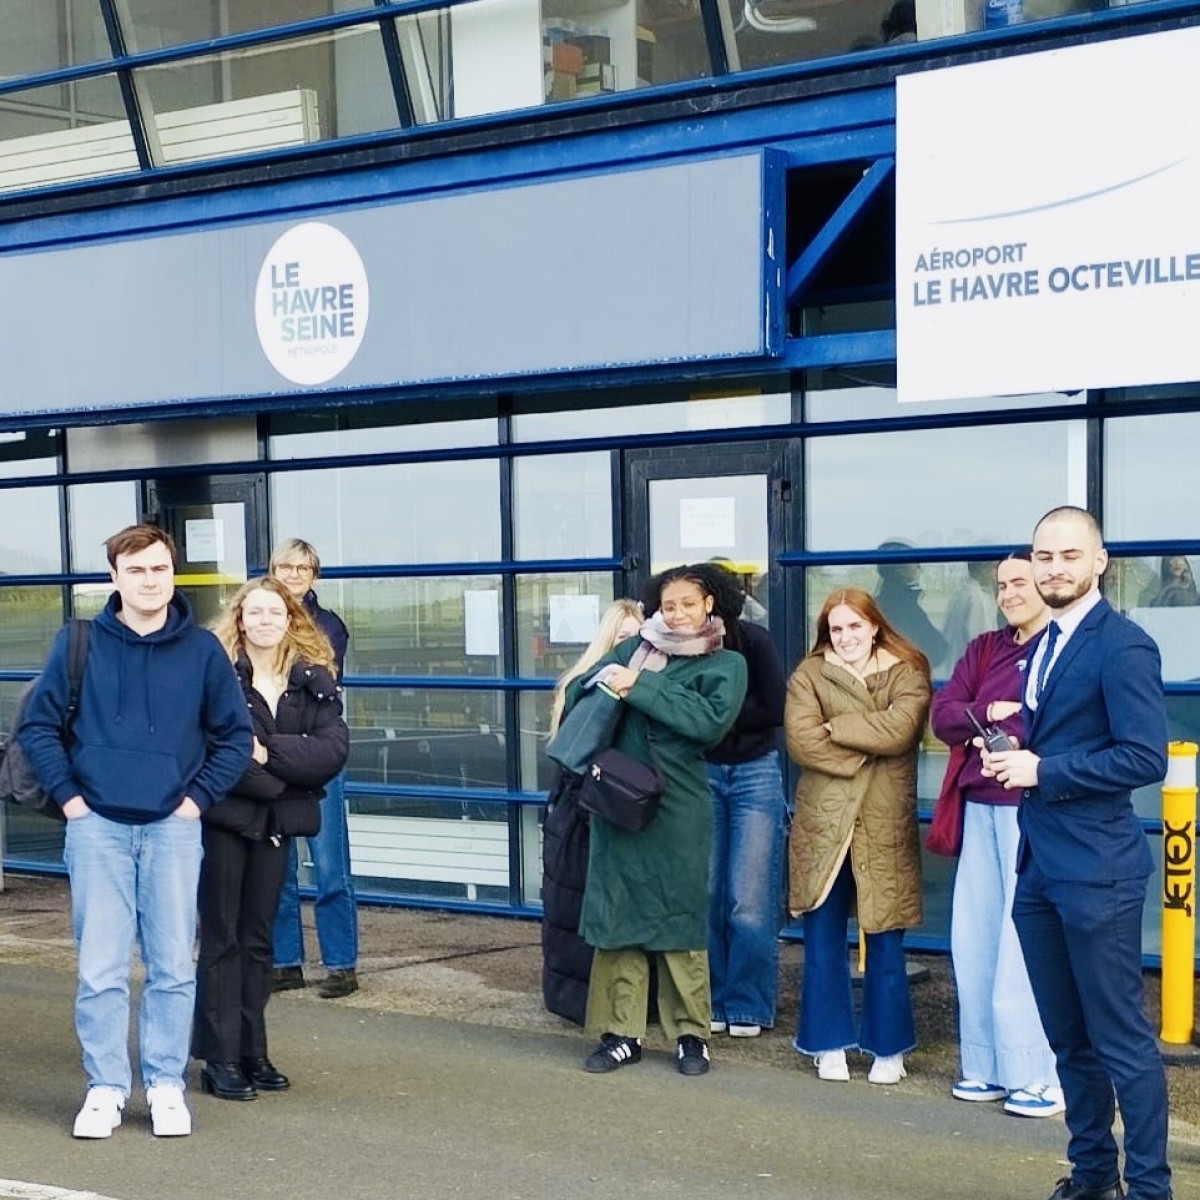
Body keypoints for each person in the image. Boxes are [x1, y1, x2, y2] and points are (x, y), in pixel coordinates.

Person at [19, 524, 252, 1139]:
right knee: (100, 970)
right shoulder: (80, 642)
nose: (151, 581)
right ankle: (105, 1087)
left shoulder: (203, 651)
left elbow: (233, 738)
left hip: (173, 830)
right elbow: (38, 728)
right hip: (97, 829)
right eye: (138, 571)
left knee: (174, 965)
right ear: (115, 578)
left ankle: (167, 1084)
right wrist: (71, 802)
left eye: (160, 569)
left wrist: (195, 801)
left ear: (172, 574)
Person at [982, 506, 1171, 1200]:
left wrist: (1044, 771)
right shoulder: (1044, 641)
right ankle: (1093, 1177)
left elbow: (1143, 756)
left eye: (1069, 555)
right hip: (1040, 870)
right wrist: (1014, 752)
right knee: (1070, 1042)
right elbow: (1065, 734)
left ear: (1100, 562)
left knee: (1121, 1042)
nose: (1053, 567)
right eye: (1044, 555)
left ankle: (1150, 1188)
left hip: (1099, 872)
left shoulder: (1122, 644)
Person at [568, 565, 747, 1076]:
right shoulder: (632, 647)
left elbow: (707, 722)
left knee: (679, 916)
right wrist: (612, 680)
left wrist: (639, 687)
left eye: (688, 603)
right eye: (668, 606)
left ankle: (692, 1035)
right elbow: (584, 686)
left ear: (709, 603)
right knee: (620, 914)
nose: (677, 614)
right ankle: (622, 1033)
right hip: (618, 800)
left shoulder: (727, 663)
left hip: (678, 805)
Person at [193, 578, 348, 1101]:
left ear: (290, 618)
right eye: (254, 612)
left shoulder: (313, 679)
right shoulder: (218, 677)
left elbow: (332, 751)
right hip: (226, 820)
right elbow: (222, 752)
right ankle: (218, 1057)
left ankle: (251, 1050)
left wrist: (270, 753)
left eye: (274, 612)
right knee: (223, 938)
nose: (264, 620)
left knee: (259, 940)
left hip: (275, 826)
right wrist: (290, 777)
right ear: (239, 619)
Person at [930, 551, 1062, 1116]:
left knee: (1023, 941)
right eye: (1002, 583)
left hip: (1035, 809)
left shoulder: (1062, 647)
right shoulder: (986, 648)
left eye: (1019, 582)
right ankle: (983, 1064)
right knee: (976, 938)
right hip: (979, 806)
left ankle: (1037, 1074)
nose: (1008, 592)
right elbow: (944, 715)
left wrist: (995, 718)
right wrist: (994, 709)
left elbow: (1051, 723)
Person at [785, 587, 930, 1085]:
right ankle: (828, 1044)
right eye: (836, 628)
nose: (845, 637)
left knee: (885, 937)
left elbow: (902, 731)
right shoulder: (809, 673)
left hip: (884, 822)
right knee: (823, 937)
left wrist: (837, 727)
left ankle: (888, 1048)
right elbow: (802, 740)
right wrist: (870, 740)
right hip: (824, 824)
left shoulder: (907, 670)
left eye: (854, 626)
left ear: (874, 626)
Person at [541, 598, 644, 1026]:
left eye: (637, 638)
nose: (630, 645)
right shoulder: (584, 687)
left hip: (612, 809)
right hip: (581, 812)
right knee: (575, 908)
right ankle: (578, 1002)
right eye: (622, 637)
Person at [696, 563, 787, 1040]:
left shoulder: (754, 640)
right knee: (708, 893)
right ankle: (709, 999)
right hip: (702, 774)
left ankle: (748, 1004)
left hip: (754, 772)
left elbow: (775, 707)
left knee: (748, 898)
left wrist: (715, 718)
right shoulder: (679, 649)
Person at [268, 538, 359, 1000]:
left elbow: (317, 680)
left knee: (330, 866)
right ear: (274, 569)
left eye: (304, 567)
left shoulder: (329, 626)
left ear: (315, 575)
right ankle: (286, 963)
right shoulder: (257, 615)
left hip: (318, 753)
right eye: (287, 566)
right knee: (278, 863)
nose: (295, 574)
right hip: (273, 754)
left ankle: (341, 966)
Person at [875, 541, 948, 671]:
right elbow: (937, 650)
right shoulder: (902, 606)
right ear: (900, 570)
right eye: (915, 563)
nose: (920, 568)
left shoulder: (881, 601)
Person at [941, 559, 998, 670]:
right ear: (983, 569)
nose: (997, 574)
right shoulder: (978, 599)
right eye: (994, 568)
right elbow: (982, 644)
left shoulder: (961, 592)